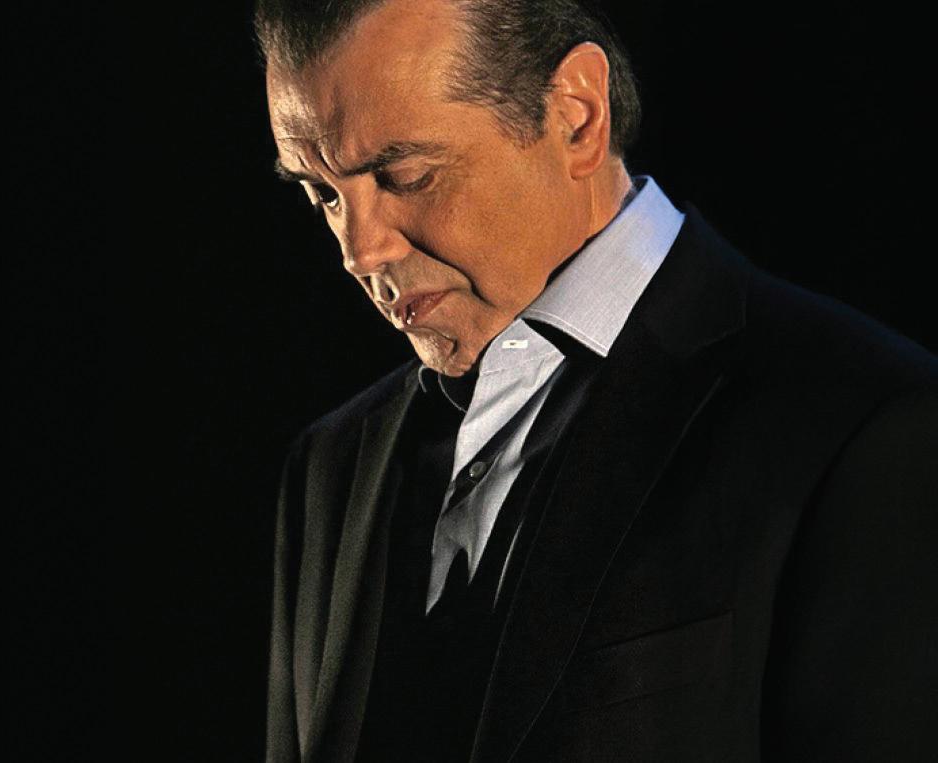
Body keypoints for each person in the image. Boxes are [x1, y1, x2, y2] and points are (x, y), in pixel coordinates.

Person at [256, 0, 938, 760]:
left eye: (405, 175)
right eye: (323, 194)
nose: (359, 251)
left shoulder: (870, 427)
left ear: (577, 116)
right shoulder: (330, 467)